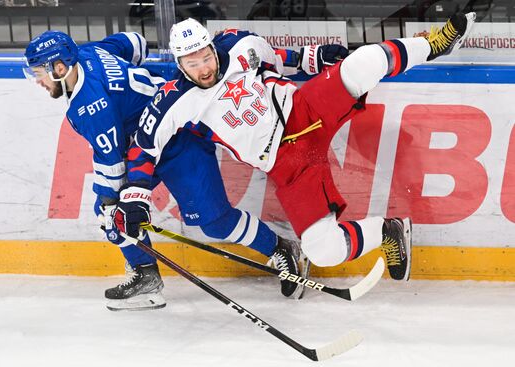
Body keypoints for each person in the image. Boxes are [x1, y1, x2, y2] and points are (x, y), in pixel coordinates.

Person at [112, 13, 477, 282]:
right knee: (323, 249)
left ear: (210, 45)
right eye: (192, 63)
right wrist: (134, 199)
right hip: (288, 167)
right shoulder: (172, 102)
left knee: (362, 62)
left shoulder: (239, 43)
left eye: (205, 56)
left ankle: (434, 44)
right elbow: (145, 149)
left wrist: (310, 58)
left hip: (304, 111)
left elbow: (277, 59)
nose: (204, 67)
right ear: (179, 63)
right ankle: (388, 231)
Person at [23, 30, 340, 310]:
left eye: (39, 72)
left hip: (176, 140)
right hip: (144, 145)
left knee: (211, 221)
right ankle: (146, 277)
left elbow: (112, 165)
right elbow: (134, 43)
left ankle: (282, 249)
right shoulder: (91, 52)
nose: (37, 80)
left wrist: (112, 203)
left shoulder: (88, 108)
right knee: (115, 218)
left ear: (60, 67)